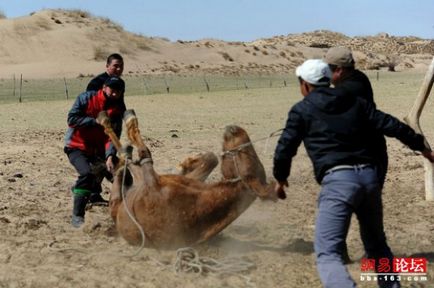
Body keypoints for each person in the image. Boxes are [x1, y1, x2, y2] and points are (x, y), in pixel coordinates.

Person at [273, 59, 434, 288]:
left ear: (306, 85)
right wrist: (422, 147)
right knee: (378, 247)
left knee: (328, 254)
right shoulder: (356, 102)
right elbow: (390, 125)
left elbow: (284, 149)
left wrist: (281, 179)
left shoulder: (302, 109)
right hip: (369, 179)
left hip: (338, 182)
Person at [324, 46, 388, 264]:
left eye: (329, 70)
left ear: (340, 70)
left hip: (368, 156)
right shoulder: (355, 79)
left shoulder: (353, 86)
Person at [64, 77, 126, 228]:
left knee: (122, 175)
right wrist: (95, 121)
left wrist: (110, 156)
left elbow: (112, 136)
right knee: (87, 174)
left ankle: (128, 212)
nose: (114, 94)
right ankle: (77, 216)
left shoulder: (117, 110)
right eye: (112, 89)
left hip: (99, 151)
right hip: (76, 146)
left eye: (118, 91)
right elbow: (72, 119)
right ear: (104, 87)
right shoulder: (86, 98)